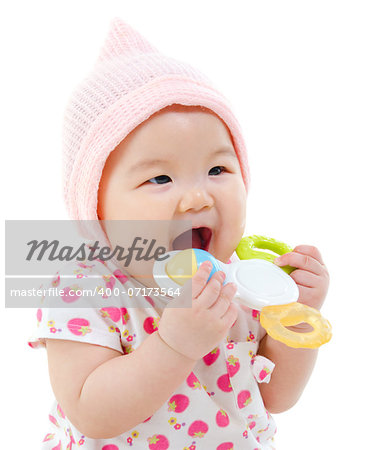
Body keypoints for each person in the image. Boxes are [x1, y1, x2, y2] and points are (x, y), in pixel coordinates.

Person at [28, 18, 330, 450]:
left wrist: (296, 316)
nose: (196, 198)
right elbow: (90, 413)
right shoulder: (85, 291)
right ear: (97, 211)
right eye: (160, 179)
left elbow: (277, 397)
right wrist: (174, 344)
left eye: (217, 170)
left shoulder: (241, 282)